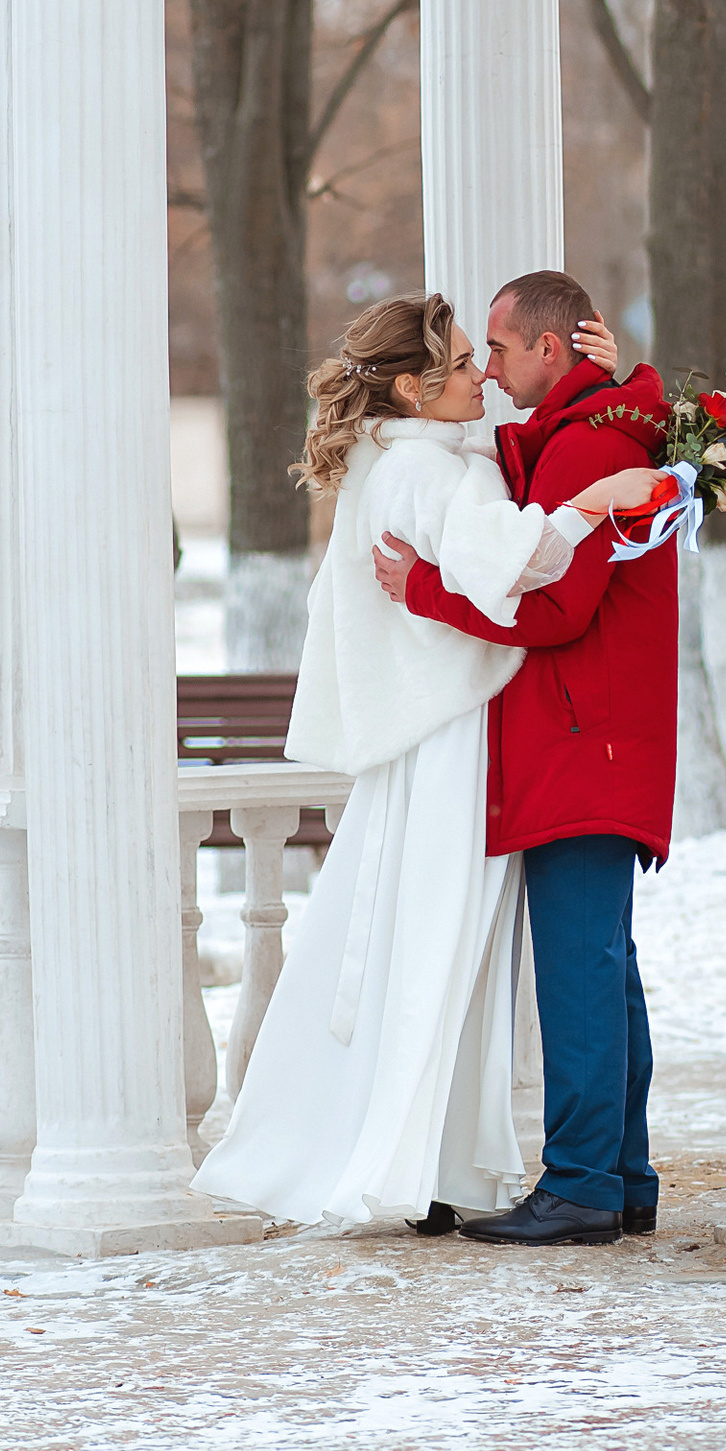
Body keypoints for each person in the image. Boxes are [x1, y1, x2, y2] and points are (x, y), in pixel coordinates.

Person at [193, 293, 653, 1235]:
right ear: (414, 387)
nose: (483, 372)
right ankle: (419, 1167)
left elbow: (551, 440)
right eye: (465, 359)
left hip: (443, 741)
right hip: (453, 746)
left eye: (492, 350)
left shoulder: (425, 460)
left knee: (448, 954)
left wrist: (620, 386)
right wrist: (584, 508)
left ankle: (440, 1166)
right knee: (443, 952)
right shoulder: (428, 475)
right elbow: (526, 569)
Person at [374, 269, 678, 1250]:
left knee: (578, 972)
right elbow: (520, 450)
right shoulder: (593, 428)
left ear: (550, 348)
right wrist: (633, 383)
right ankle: (621, 1178)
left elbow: (551, 605)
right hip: (601, 736)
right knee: (603, 963)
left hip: (578, 737)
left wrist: (422, 587)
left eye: (498, 349)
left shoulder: (583, 443)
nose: (490, 372)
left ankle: (583, 1180)